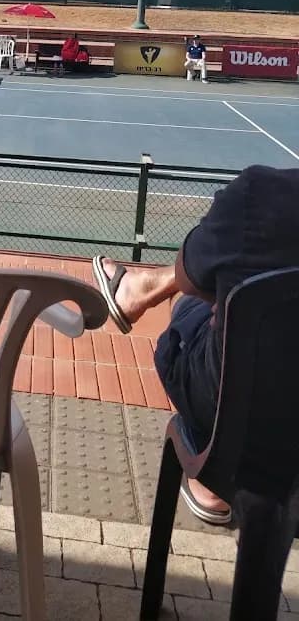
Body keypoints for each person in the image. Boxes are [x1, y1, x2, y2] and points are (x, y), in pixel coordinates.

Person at [92, 165, 299, 526]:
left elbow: (193, 280)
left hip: (241, 416)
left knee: (198, 301)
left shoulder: (264, 193)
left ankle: (213, 475)